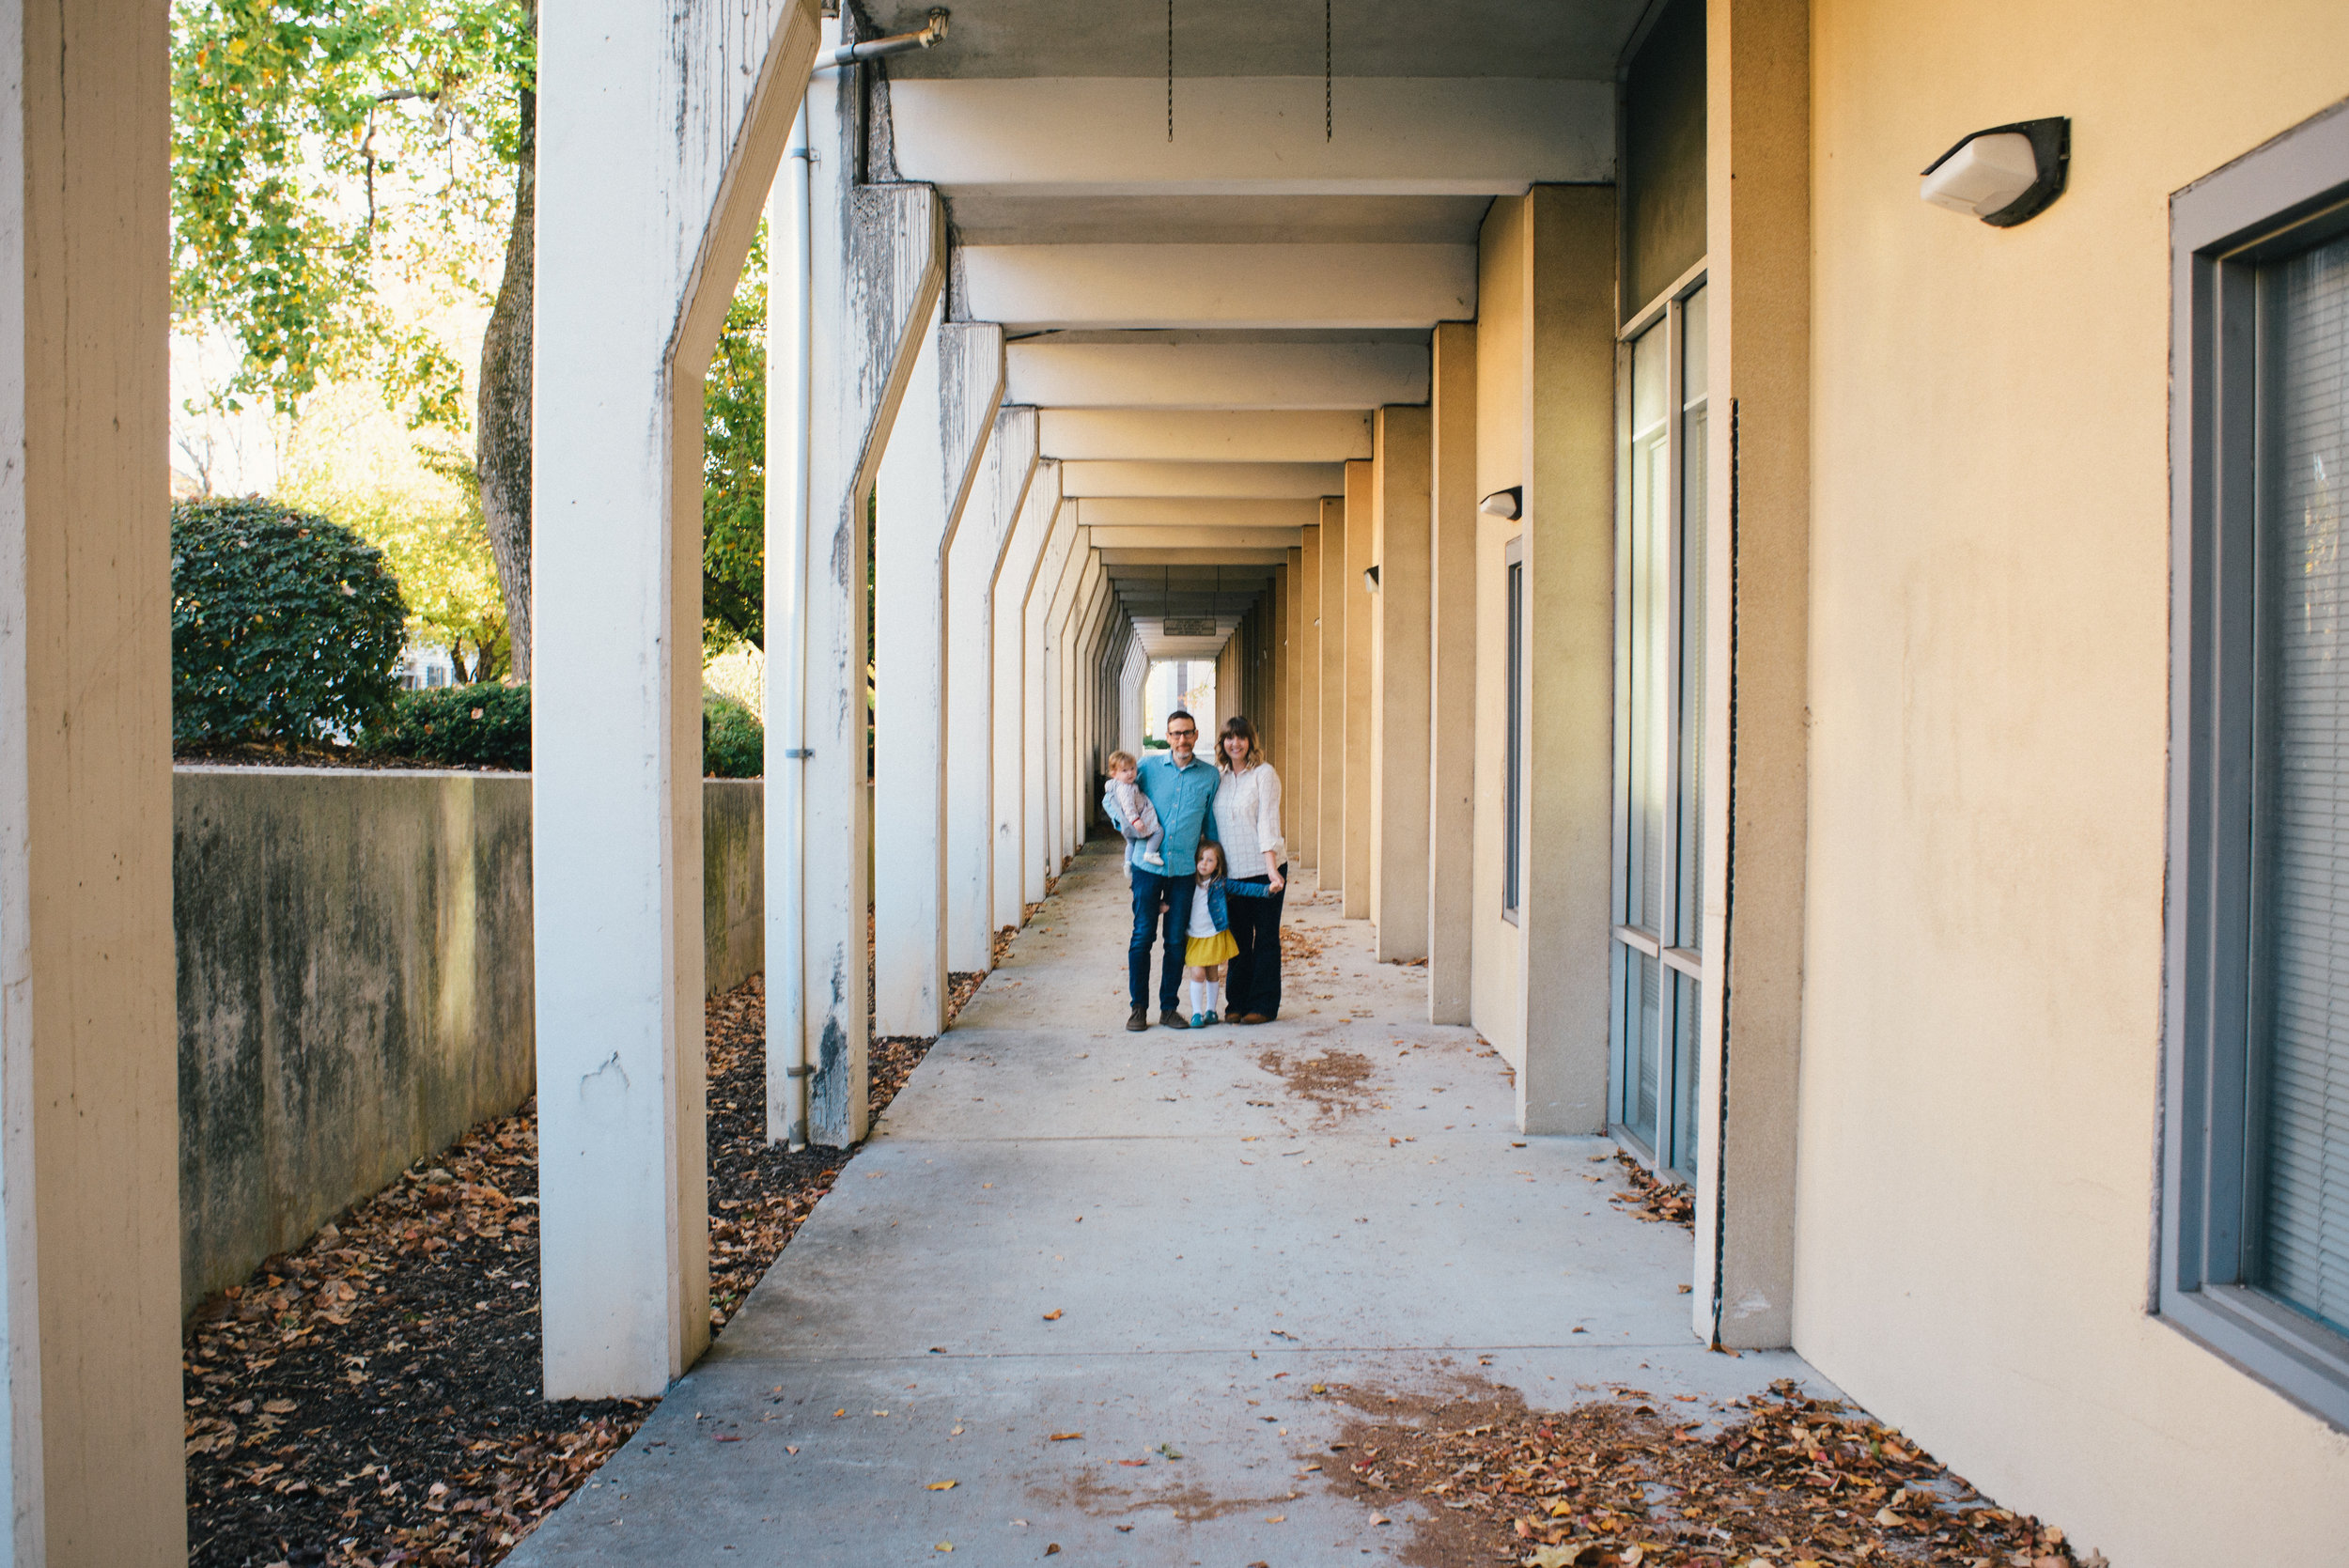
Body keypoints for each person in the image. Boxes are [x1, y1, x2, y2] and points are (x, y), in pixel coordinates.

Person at [1112, 710, 1219, 1031]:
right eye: (1175, 734)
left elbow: (1209, 825)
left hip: (1185, 869)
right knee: (1143, 936)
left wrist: (1213, 865)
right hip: (1148, 865)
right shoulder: (1145, 768)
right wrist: (1126, 827)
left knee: (1175, 940)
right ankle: (1138, 1008)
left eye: (1187, 733)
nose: (1181, 740)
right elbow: (1113, 796)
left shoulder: (1210, 776)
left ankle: (1169, 1008)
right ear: (1168, 736)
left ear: (1196, 735)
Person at [1210, 714, 1286, 1024]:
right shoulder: (1221, 777)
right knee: (1238, 939)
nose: (1235, 743)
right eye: (1229, 737)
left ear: (1251, 742)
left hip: (1263, 870)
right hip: (1232, 874)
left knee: (1265, 938)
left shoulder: (1264, 775)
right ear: (1223, 743)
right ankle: (1236, 1003)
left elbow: (1267, 822)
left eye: (1241, 737)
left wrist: (1271, 869)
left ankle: (1264, 1005)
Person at [1100, 750, 1164, 872]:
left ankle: (1128, 863)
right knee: (1158, 831)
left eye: (1132, 768)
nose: (1130, 773)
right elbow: (1128, 806)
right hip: (1138, 818)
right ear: (1114, 774)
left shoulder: (1116, 785)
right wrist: (1135, 820)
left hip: (1127, 823)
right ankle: (1150, 853)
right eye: (1124, 771)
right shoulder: (1126, 789)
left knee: (1131, 843)